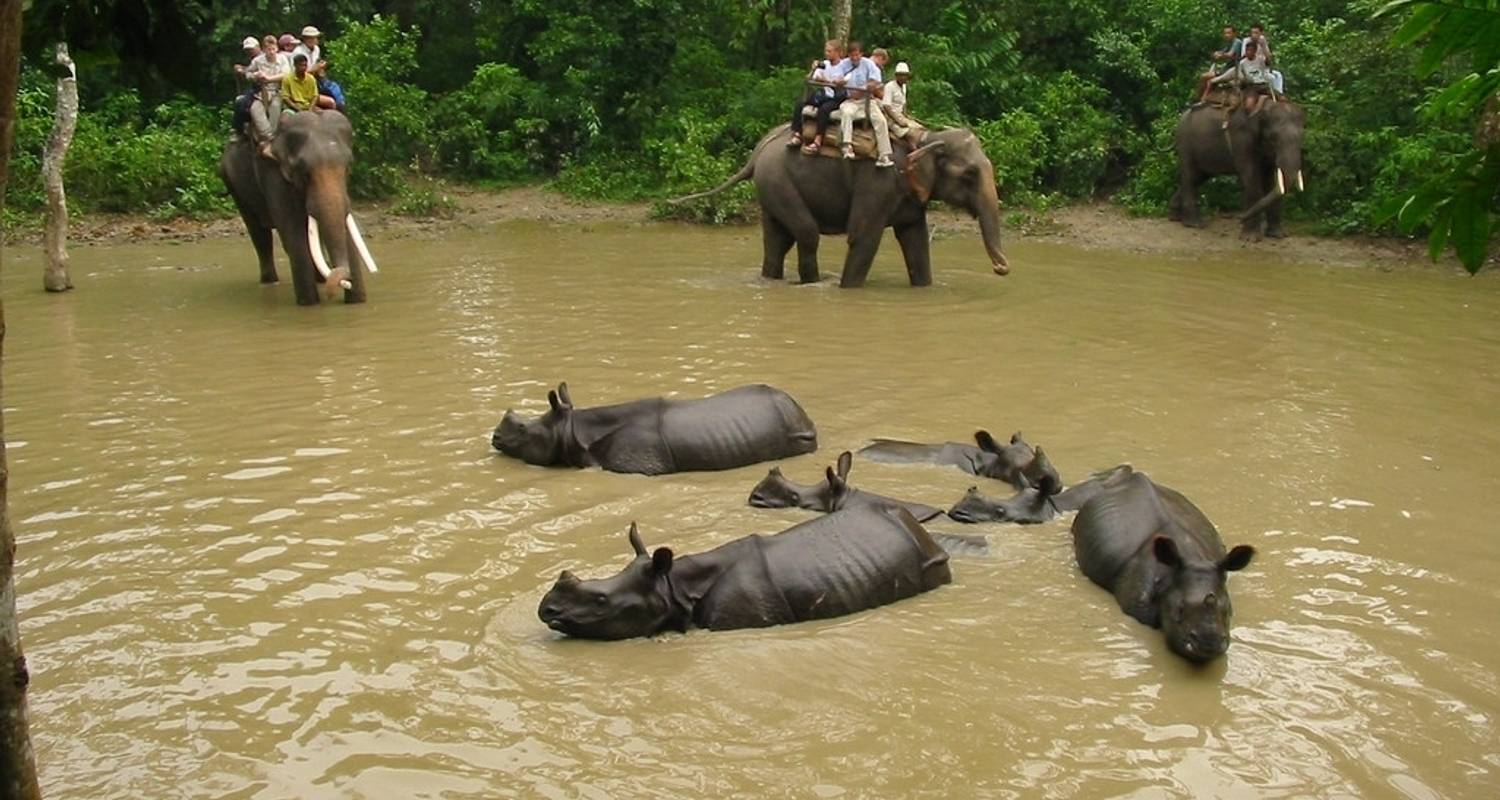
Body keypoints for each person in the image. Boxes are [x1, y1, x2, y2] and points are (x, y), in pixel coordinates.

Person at [836, 43, 895, 167]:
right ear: (849, 55)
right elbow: (836, 78)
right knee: (846, 113)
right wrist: (839, 82)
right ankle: (847, 145)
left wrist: (865, 88)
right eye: (852, 55)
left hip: (867, 100)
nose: (854, 58)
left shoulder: (868, 64)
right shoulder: (844, 64)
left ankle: (884, 154)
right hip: (851, 101)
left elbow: (875, 81)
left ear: (861, 54)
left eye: (857, 55)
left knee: (881, 120)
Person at [789, 39, 845, 148]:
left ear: (838, 52)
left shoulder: (844, 66)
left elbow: (844, 82)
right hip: (824, 93)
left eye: (829, 51)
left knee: (824, 110)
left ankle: (818, 138)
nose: (826, 53)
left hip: (836, 97)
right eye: (826, 51)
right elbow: (809, 79)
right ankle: (797, 133)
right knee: (800, 102)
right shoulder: (824, 64)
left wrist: (827, 81)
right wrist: (813, 70)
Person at [246, 34, 288, 157]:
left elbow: (286, 74)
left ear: (277, 49)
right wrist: (255, 76)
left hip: (277, 91)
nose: (271, 52)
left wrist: (269, 78)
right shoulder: (258, 61)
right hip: (262, 92)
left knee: (275, 108)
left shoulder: (282, 59)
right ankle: (267, 136)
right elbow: (248, 73)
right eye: (268, 49)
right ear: (264, 50)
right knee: (255, 109)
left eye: (273, 49)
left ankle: (272, 139)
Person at [881, 60, 924, 145]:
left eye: (905, 75)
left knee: (921, 129)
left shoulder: (904, 86)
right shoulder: (890, 86)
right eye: (901, 75)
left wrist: (906, 115)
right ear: (896, 76)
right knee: (911, 135)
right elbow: (886, 106)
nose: (903, 77)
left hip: (901, 116)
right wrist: (898, 120)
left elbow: (903, 103)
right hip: (891, 118)